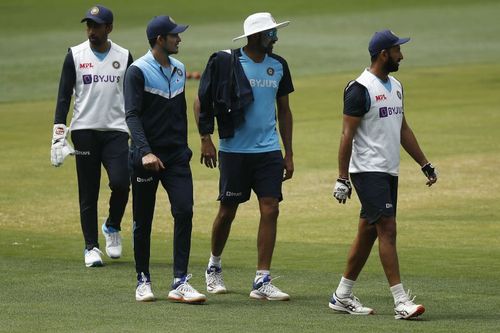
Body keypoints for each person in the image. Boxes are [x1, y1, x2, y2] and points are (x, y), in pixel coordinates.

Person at [329, 30, 438, 319]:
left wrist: (424, 163)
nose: (401, 55)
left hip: (389, 171)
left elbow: (403, 129)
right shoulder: (359, 89)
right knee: (387, 229)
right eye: (397, 50)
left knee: (368, 231)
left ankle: (342, 294)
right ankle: (401, 301)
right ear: (382, 54)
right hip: (367, 171)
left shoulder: (397, 86)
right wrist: (342, 178)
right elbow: (346, 135)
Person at [194, 12, 294, 301]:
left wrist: (289, 152)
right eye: (270, 34)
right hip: (234, 151)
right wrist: (205, 138)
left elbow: (284, 111)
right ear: (256, 36)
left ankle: (262, 279)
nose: (275, 38)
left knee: (271, 208)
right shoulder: (227, 62)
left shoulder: (279, 65)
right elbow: (201, 100)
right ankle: (214, 266)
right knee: (227, 211)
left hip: (268, 151)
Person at [124, 15, 206, 303]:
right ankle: (143, 280)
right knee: (142, 220)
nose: (179, 39)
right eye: (174, 35)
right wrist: (145, 151)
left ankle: (180, 280)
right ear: (160, 39)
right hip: (146, 157)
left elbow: (178, 112)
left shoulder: (180, 69)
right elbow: (132, 115)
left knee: (184, 211)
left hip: (176, 157)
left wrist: (185, 147)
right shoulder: (138, 71)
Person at [51, 5, 132, 267]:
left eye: (96, 26)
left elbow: (132, 98)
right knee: (88, 191)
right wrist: (58, 134)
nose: (91, 31)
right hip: (84, 130)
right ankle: (91, 247)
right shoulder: (74, 55)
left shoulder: (124, 56)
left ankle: (112, 225)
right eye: (88, 26)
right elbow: (64, 96)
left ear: (109, 28)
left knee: (121, 183)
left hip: (116, 131)